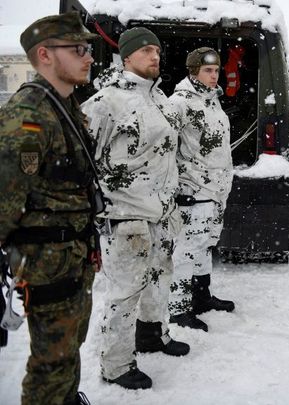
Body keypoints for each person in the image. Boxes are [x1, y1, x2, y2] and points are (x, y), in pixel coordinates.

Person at [0, 12, 99, 405]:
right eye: (78, 49)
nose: (88, 57)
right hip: (47, 260)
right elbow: (4, 196)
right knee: (51, 362)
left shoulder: (65, 106)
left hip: (72, 255)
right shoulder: (29, 116)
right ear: (44, 55)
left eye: (88, 48)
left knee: (69, 347)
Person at [81, 27, 189, 390]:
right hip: (126, 216)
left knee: (160, 277)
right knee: (124, 292)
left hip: (161, 213)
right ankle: (115, 365)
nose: (154, 56)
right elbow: (81, 159)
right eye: (145, 51)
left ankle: (151, 334)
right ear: (126, 57)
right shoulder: (106, 102)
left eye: (157, 50)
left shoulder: (161, 101)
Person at [168, 47, 235, 332]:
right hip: (193, 190)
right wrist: (176, 186)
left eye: (216, 70)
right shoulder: (179, 103)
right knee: (186, 249)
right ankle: (178, 308)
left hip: (216, 189)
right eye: (207, 70)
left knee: (206, 245)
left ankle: (201, 296)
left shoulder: (212, 100)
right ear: (193, 71)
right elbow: (165, 148)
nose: (213, 75)